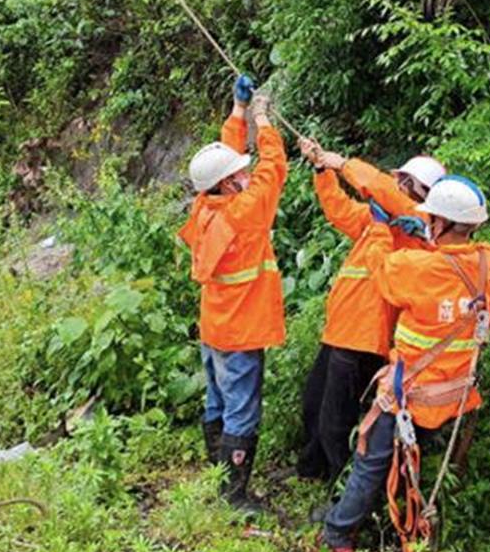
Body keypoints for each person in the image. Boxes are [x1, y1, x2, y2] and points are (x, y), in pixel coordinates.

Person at [322, 175, 490, 552]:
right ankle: (403, 528)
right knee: (412, 460)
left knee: (371, 462)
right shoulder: (488, 264)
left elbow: (381, 272)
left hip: (407, 394)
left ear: (440, 223)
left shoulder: (418, 268)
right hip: (452, 395)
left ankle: (338, 535)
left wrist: (380, 229)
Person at [294, 140, 445, 482]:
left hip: (364, 337)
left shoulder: (418, 227)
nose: (398, 185)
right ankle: (310, 470)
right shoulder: (379, 220)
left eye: (406, 182)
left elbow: (381, 189)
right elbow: (338, 209)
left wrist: (342, 162)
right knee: (315, 405)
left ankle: (339, 487)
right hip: (340, 330)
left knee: (337, 419)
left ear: (421, 194)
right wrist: (322, 171)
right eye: (399, 179)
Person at [178, 75, 287, 511]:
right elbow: (273, 166)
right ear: (228, 184)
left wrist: (237, 114)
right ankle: (234, 495)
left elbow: (225, 165)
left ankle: (217, 469)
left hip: (215, 325)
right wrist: (262, 119)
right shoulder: (245, 212)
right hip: (242, 331)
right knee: (242, 409)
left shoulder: (206, 207)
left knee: (217, 399)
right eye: (238, 174)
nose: (245, 174)